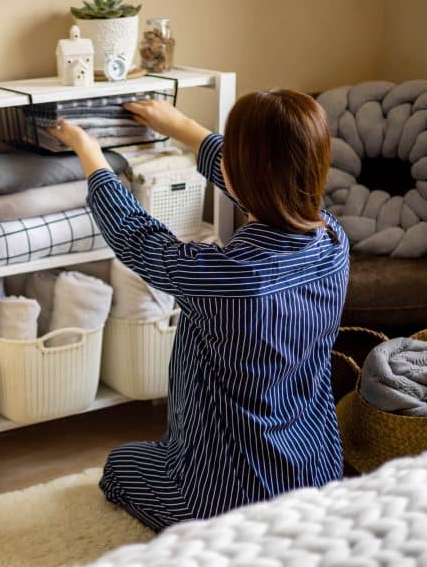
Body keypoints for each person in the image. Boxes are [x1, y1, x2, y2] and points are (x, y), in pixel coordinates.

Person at [47, 90, 350, 532]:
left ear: (243, 173)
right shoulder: (334, 243)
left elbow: (137, 235)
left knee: (119, 466)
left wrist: (88, 152)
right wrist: (182, 128)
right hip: (316, 478)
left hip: (224, 505)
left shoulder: (225, 277)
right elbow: (265, 190)